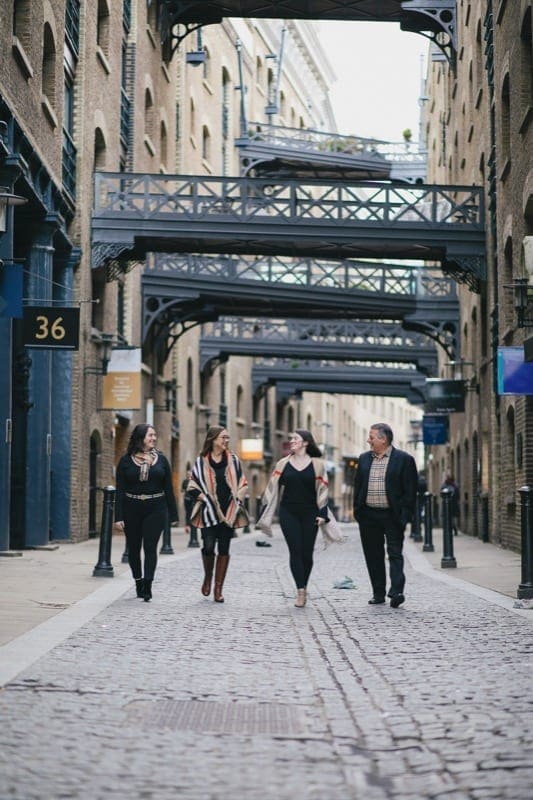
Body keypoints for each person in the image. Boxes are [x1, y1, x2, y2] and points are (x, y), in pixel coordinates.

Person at [257, 429, 330, 608]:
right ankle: (300, 591)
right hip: (288, 512)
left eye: (295, 439)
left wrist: (322, 514)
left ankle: (303, 584)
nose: (292, 441)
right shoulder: (282, 463)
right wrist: (265, 510)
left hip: (310, 513)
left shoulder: (318, 464)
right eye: (291, 439)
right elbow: (272, 488)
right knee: (295, 550)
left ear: (306, 442)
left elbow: (323, 490)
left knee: (307, 553)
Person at [353, 423, 418, 608]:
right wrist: (358, 511)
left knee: (395, 553)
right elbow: (358, 487)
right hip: (368, 516)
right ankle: (378, 593)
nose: (368, 440)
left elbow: (410, 492)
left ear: (383, 439)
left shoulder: (404, 460)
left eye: (371, 437)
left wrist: (404, 516)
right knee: (373, 555)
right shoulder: (364, 459)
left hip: (392, 516)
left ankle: (397, 592)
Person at [115, 423, 178, 602]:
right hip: (131, 507)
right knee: (133, 548)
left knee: (150, 547)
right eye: (150, 435)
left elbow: (168, 488)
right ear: (140, 438)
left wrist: (173, 515)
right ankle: (138, 581)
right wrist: (118, 517)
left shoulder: (162, 460)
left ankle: (148, 585)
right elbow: (120, 490)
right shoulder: (126, 461)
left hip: (156, 508)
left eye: (155, 435)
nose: (154, 438)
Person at [186, 426, 249, 602]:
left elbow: (242, 483)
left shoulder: (234, 460)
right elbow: (192, 485)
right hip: (208, 511)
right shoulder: (201, 461)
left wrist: (238, 499)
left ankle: (218, 589)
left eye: (228, 438)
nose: (226, 441)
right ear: (213, 439)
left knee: (224, 548)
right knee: (208, 545)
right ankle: (208, 576)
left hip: (228, 511)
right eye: (223, 438)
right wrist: (203, 498)